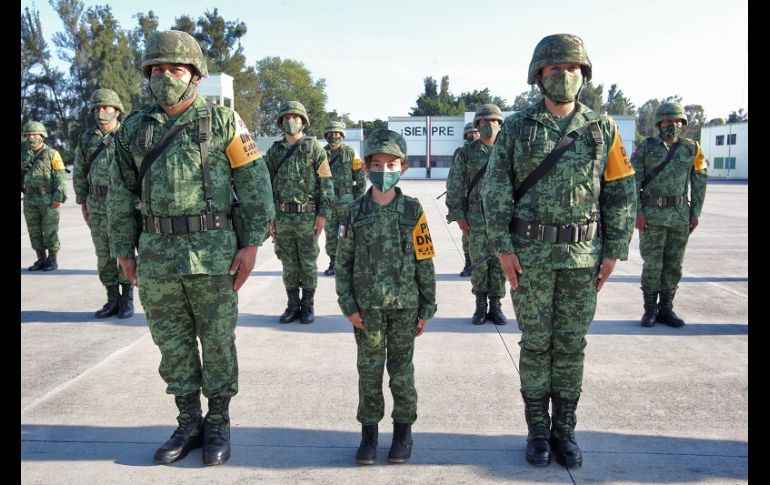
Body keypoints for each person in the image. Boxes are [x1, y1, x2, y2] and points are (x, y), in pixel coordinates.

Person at [108, 30, 275, 466]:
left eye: (176, 69)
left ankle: (218, 422)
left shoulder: (223, 122)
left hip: (213, 255)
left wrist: (251, 244)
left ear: (196, 76)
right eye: (157, 70)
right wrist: (123, 249)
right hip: (157, 257)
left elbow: (255, 186)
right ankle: (188, 422)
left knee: (217, 343)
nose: (165, 77)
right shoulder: (133, 129)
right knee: (173, 345)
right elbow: (120, 193)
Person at [483, 33, 636, 469]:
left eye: (573, 69)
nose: (565, 76)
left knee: (570, 346)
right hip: (529, 257)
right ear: (539, 75)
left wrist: (614, 249)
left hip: (582, 258)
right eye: (555, 69)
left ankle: (564, 430)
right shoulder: (517, 128)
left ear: (584, 75)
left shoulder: (603, 128)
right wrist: (502, 247)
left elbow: (621, 192)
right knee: (535, 345)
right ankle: (537, 431)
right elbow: (496, 189)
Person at [335, 129, 436, 465]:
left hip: (405, 306)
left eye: (391, 164)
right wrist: (348, 304)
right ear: (365, 167)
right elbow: (343, 261)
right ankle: (369, 436)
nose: (384, 170)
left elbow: (424, 258)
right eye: (377, 164)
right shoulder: (353, 211)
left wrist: (427, 305)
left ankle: (403, 433)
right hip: (367, 309)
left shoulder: (413, 209)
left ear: (402, 168)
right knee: (369, 372)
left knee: (402, 372)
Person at [631, 101, 707, 328]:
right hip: (651, 217)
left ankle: (666, 309)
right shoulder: (646, 148)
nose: (672, 124)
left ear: (683, 123)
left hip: (679, 216)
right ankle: (649, 310)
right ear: (659, 123)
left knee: (674, 265)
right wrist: (637, 212)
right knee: (652, 264)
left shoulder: (692, 148)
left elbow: (700, 180)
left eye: (677, 121)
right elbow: (633, 181)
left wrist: (695, 212)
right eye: (667, 120)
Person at [265, 100, 334, 324]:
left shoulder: (314, 149)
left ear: (303, 122)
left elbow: (326, 183)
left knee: (308, 263)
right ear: (280, 122)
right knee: (288, 263)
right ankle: (292, 305)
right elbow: (265, 185)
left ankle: (308, 305)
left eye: (295, 117)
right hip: (281, 217)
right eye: (286, 118)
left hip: (307, 217)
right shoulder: (274, 151)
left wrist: (323, 214)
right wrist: (269, 218)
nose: (290, 121)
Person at [73, 88, 135, 319]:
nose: (101, 112)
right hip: (96, 205)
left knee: (124, 252)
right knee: (104, 255)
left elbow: (139, 169)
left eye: (106, 107)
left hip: (123, 204)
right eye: (97, 108)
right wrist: (82, 202)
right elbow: (79, 171)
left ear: (117, 110)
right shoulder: (86, 138)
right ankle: (112, 300)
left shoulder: (128, 135)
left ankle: (127, 300)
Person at [446, 104, 508, 325]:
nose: (489, 125)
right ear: (477, 125)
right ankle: (480, 306)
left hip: (503, 220)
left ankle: (496, 306)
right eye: (484, 121)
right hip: (475, 219)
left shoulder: (508, 150)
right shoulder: (467, 153)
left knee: (500, 264)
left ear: (500, 124)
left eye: (493, 121)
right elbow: (454, 184)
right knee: (480, 264)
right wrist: (458, 215)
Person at [321, 120, 366, 276]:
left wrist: (357, 202)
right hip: (329, 202)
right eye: (331, 133)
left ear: (342, 135)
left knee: (345, 234)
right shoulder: (321, 154)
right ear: (326, 135)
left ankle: (347, 264)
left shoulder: (351, 152)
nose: (334, 136)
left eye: (337, 133)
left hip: (347, 202)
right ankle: (333, 263)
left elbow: (360, 180)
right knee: (330, 235)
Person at [21, 121, 67, 272]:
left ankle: (52, 260)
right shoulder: (24, 155)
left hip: (47, 199)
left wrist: (58, 197)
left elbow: (60, 177)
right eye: (28, 135)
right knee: (34, 231)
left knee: (50, 230)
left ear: (42, 136)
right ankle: (41, 259)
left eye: (34, 134)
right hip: (29, 200)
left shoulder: (52, 154)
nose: (31, 137)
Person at [451, 122, 479, 277]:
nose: (473, 135)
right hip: (467, 202)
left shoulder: (492, 149)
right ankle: (469, 264)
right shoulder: (461, 152)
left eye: (475, 132)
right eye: (470, 133)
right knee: (467, 235)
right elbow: (455, 176)